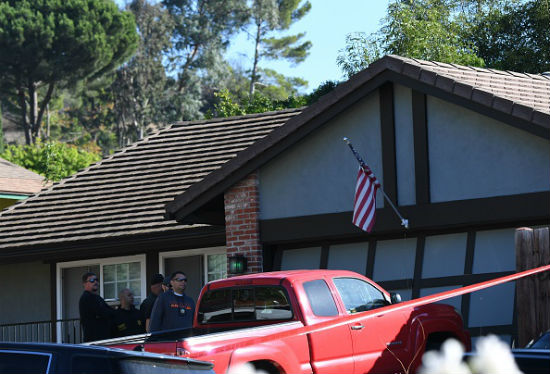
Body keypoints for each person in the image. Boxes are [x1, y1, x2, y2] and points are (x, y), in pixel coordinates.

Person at [79, 272, 115, 342]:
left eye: (96, 280)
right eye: (92, 280)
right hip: (94, 340)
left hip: (103, 338)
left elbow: (109, 310)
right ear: (84, 284)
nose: (95, 282)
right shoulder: (86, 298)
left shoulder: (97, 298)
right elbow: (102, 312)